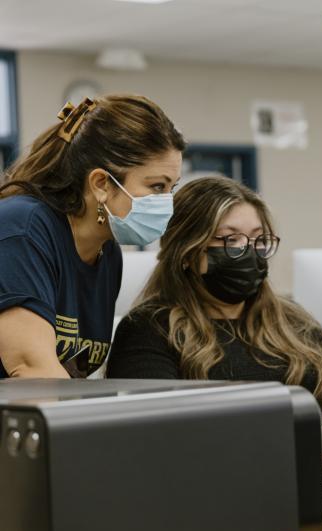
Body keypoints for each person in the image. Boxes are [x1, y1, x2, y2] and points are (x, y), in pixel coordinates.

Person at [107, 176, 322, 422]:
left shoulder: (293, 319)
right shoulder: (149, 329)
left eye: (258, 240)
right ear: (187, 252)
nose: (249, 251)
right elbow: (153, 430)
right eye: (231, 239)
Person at [0, 94, 184, 378]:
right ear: (101, 183)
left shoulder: (106, 252)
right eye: (157, 187)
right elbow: (32, 371)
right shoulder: (23, 228)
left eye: (172, 187)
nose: (166, 201)